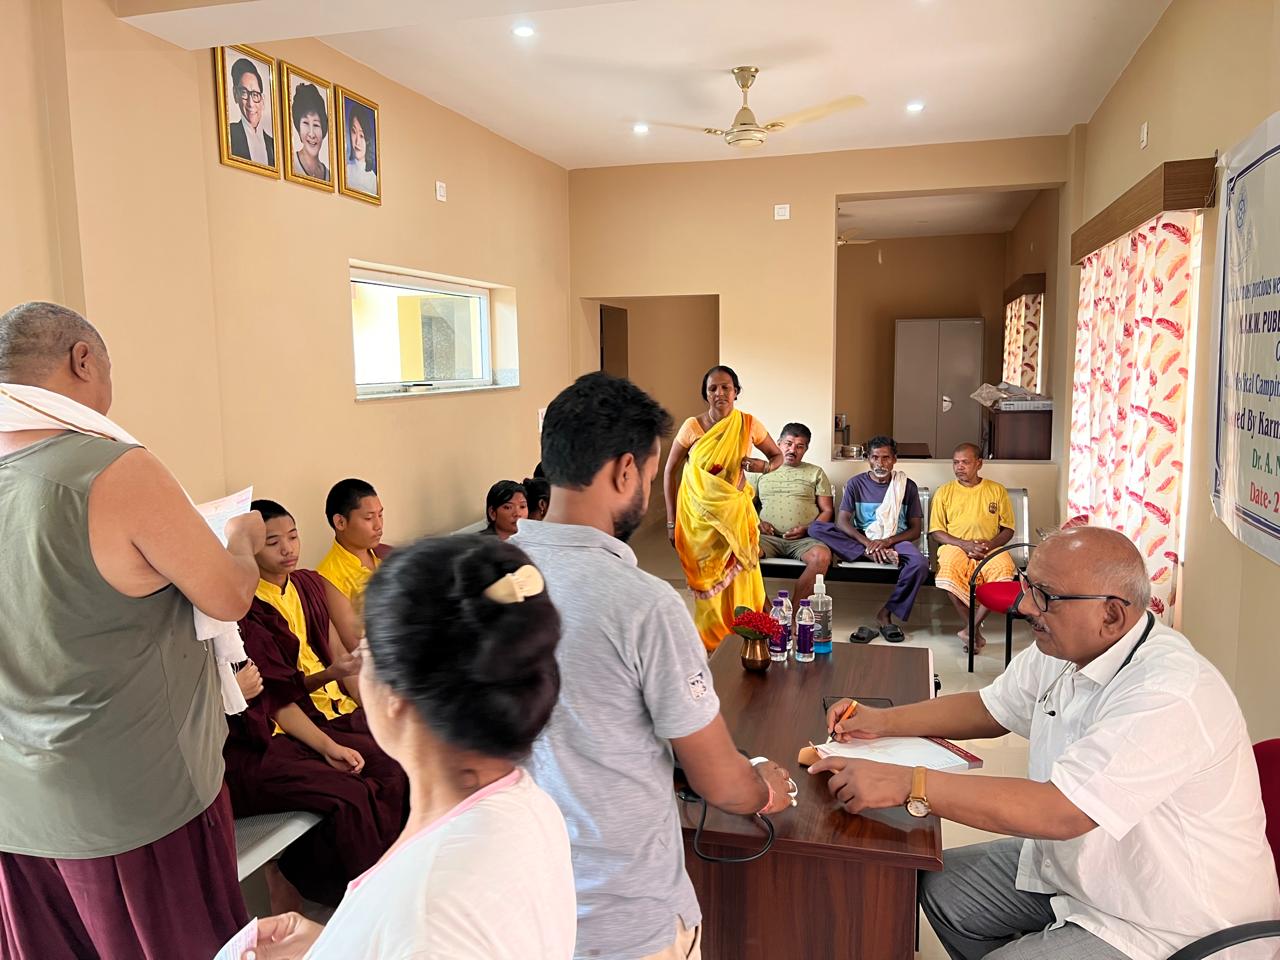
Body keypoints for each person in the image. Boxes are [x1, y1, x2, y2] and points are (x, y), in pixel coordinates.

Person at [814, 527, 1280, 960]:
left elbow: (1061, 811)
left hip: (1170, 920)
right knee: (940, 889)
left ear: (1112, 614)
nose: (1024, 606)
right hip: (1086, 870)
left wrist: (908, 783)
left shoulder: (1169, 691)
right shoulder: (1066, 647)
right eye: (1027, 584)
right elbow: (991, 708)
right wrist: (882, 721)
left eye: (1046, 596)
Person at [0, 301, 265, 957]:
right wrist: (240, 538)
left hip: (16, 807)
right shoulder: (110, 469)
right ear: (82, 359)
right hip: (132, 805)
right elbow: (229, 595)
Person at [514, 371, 795, 960]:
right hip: (621, 916)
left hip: (518, 906)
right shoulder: (641, 603)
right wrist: (763, 790)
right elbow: (716, 778)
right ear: (624, 471)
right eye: (647, 472)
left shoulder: (479, 580)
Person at [247, 535, 575, 960]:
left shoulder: (427, 915)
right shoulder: (528, 804)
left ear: (395, 696)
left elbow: (423, 933)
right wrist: (335, 944)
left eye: (365, 652)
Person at [224, 499, 408, 909]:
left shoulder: (306, 583)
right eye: (273, 542)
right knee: (356, 794)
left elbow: (335, 650)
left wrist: (366, 705)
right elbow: (278, 698)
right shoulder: (238, 609)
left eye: (292, 537)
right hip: (274, 732)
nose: (288, 548)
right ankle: (357, 899)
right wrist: (331, 740)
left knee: (400, 762)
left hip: (326, 709)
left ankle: (399, 874)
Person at [663, 365, 784, 651]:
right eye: (712, 389)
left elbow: (777, 455)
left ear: (736, 392)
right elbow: (670, 471)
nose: (719, 393)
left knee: (744, 582)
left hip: (735, 518)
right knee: (708, 592)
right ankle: (712, 648)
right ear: (705, 394)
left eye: (725, 388)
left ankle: (749, 643)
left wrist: (764, 467)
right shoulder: (692, 427)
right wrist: (671, 521)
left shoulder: (748, 424)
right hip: (698, 523)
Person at [809, 435, 925, 642]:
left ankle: (886, 612)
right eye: (875, 458)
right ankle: (870, 555)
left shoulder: (906, 486)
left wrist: (887, 542)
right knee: (817, 527)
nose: (880, 463)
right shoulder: (855, 484)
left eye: (886, 458)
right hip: (862, 541)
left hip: (895, 542)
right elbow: (843, 522)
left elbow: (916, 529)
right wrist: (868, 545)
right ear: (868, 459)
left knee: (919, 564)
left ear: (895, 459)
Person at [930, 443, 1017, 653]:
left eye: (965, 462)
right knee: (948, 573)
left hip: (990, 546)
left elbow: (1008, 529)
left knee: (1004, 571)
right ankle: (974, 631)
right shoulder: (945, 492)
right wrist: (963, 544)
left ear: (979, 464)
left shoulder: (996, 490)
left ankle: (970, 629)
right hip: (955, 546)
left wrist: (990, 544)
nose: (959, 467)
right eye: (956, 462)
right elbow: (936, 532)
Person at [751, 421, 834, 602]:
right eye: (788, 444)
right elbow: (744, 506)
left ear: (806, 449)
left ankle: (796, 614)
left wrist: (807, 528)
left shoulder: (816, 472)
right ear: (779, 443)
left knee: (822, 557)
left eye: (799, 446)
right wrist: (757, 523)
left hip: (804, 540)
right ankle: (766, 614)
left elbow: (827, 510)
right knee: (742, 552)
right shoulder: (760, 472)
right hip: (766, 539)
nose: (792, 450)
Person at [317, 477, 389, 612]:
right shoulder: (330, 578)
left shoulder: (385, 555)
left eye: (380, 515)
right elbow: (352, 633)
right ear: (340, 522)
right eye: (368, 518)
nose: (378, 526)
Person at [228, 56, 275, 166]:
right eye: (244, 92)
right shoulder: (230, 134)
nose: (250, 103)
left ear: (262, 100)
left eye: (255, 95)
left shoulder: (273, 144)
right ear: (235, 95)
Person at [290, 81, 329, 181]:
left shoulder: (329, 176)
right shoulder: (290, 164)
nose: (311, 134)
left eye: (316, 125)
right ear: (298, 128)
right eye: (305, 123)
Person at [343, 100, 377, 194]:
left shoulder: (373, 181)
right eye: (354, 132)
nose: (357, 141)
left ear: (368, 140)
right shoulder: (346, 171)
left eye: (361, 136)